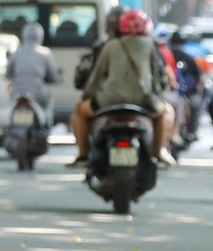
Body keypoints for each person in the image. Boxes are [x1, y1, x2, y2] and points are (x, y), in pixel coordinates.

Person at [74, 9, 176, 161]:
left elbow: (96, 76)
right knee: (165, 112)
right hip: (143, 101)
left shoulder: (109, 46)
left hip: (108, 100)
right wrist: (156, 95)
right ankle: (158, 153)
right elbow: (157, 77)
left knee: (80, 111)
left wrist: (88, 95)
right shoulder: (150, 45)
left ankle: (83, 155)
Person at [6, 21, 60, 118]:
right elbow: (53, 76)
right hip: (39, 94)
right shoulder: (46, 53)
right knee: (49, 107)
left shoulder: (17, 52)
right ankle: (46, 122)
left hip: (17, 92)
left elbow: (8, 73)